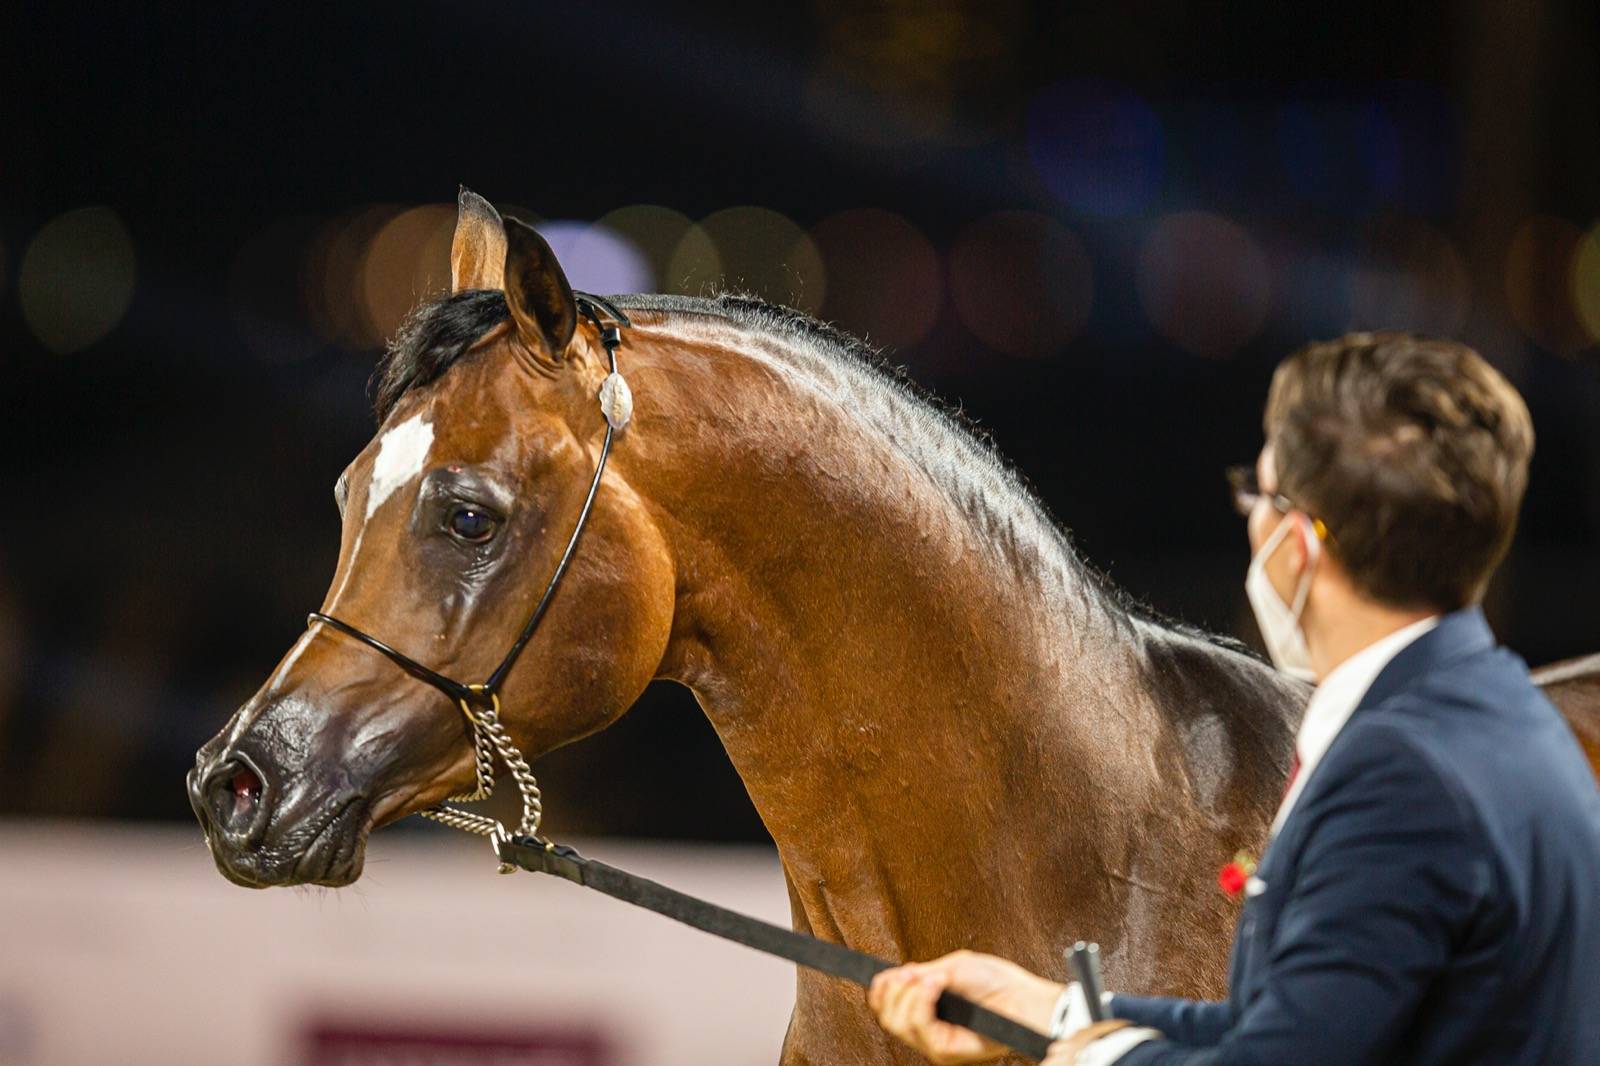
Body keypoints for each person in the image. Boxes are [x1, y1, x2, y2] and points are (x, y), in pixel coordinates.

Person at [868, 332, 1600, 1064]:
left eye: (1260, 491)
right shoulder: (1507, 713)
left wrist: (1094, 1060)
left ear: (1300, 542)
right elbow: (1310, 1025)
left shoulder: (1399, 773)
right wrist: (1059, 1011)